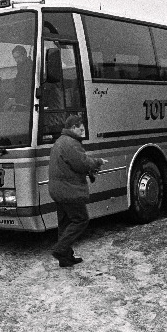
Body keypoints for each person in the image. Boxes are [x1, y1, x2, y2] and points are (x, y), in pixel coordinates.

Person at [48, 115, 106, 268]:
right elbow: (82, 163)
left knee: (65, 223)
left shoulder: (61, 141)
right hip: (69, 191)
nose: (83, 130)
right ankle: (60, 249)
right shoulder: (70, 143)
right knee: (81, 220)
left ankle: (65, 258)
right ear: (73, 127)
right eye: (81, 128)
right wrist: (98, 162)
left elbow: (75, 164)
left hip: (59, 190)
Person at [6, 45, 33, 110]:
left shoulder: (30, 67)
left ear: (24, 54)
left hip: (26, 103)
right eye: (14, 58)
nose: (16, 60)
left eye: (18, 57)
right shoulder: (21, 67)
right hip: (21, 101)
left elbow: (25, 86)